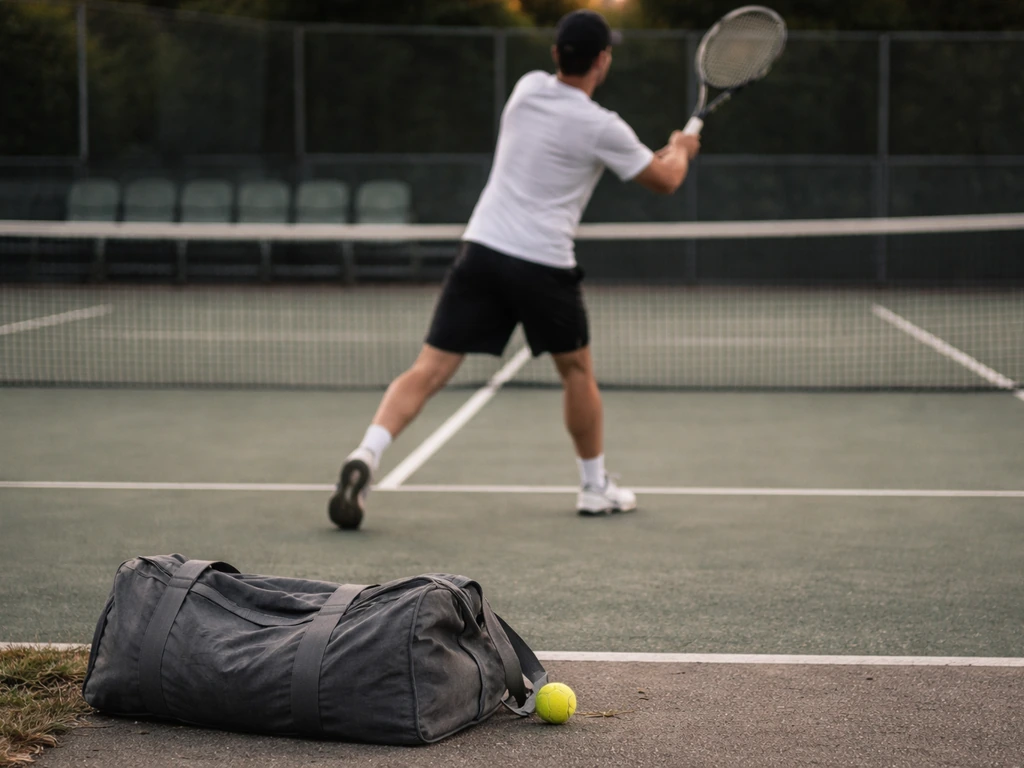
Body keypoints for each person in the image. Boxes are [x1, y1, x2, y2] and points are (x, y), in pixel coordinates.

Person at [328, 9, 700, 530]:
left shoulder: (526, 91)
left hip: (481, 250)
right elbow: (663, 179)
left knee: (428, 370)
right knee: (576, 372)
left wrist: (662, 154)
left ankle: (366, 454)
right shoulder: (603, 126)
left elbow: (627, 158)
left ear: (554, 56)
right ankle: (594, 487)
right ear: (603, 61)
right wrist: (681, 150)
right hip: (543, 264)